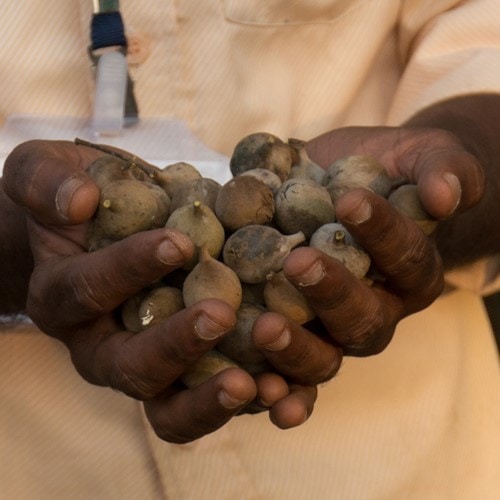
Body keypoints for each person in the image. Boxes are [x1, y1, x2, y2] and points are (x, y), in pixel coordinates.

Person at [1, 1, 499, 499]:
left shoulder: (266, 214)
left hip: (404, 458)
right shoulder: (204, 226)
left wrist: (437, 200)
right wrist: (24, 245)